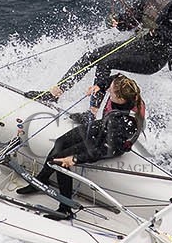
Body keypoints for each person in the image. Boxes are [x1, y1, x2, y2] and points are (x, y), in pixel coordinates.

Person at [33, 0, 172, 109]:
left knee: (105, 63)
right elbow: (135, 16)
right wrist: (119, 21)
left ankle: (91, 113)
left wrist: (158, 30)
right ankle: (54, 94)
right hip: (138, 45)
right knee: (92, 55)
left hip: (155, 56)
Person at [17, 76, 146, 217]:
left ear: (121, 99)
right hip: (104, 125)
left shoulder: (126, 122)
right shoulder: (123, 85)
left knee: (61, 160)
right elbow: (113, 80)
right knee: (60, 142)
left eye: (111, 92)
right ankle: (41, 180)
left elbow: (105, 149)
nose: (108, 90)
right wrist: (100, 85)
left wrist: (75, 159)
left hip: (111, 143)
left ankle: (65, 208)